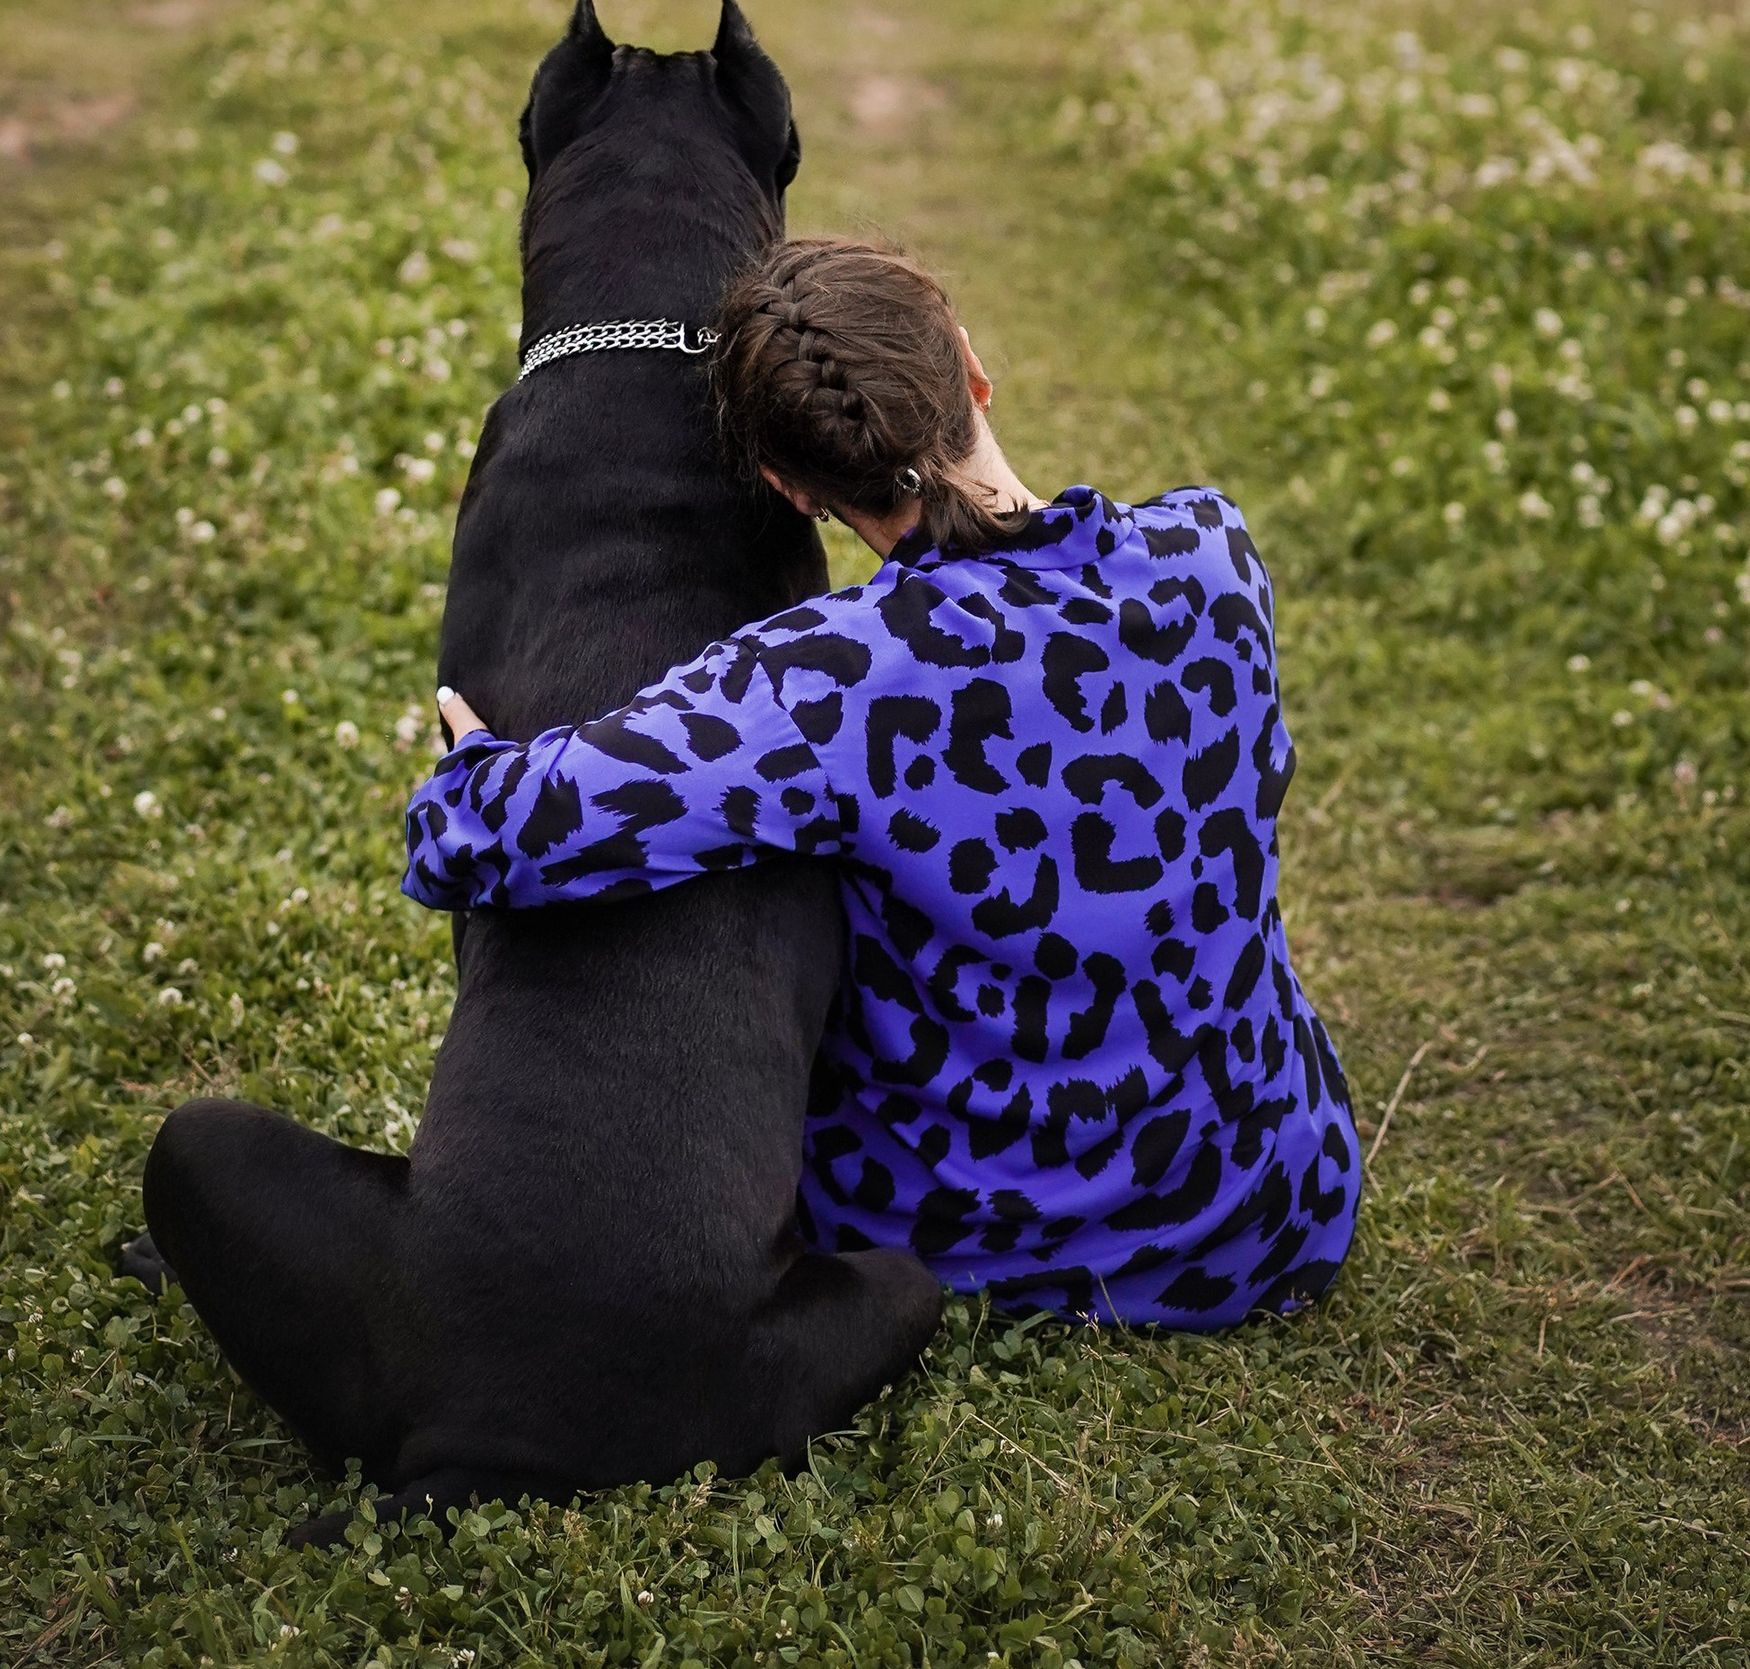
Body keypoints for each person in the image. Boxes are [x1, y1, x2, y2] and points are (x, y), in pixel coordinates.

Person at [407, 236, 1358, 1329]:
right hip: (1284, 1203)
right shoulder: (1212, 553)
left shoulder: (834, 678)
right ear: (970, 361)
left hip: (1001, 1245)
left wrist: (474, 760)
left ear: (790, 489)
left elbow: (491, 836)